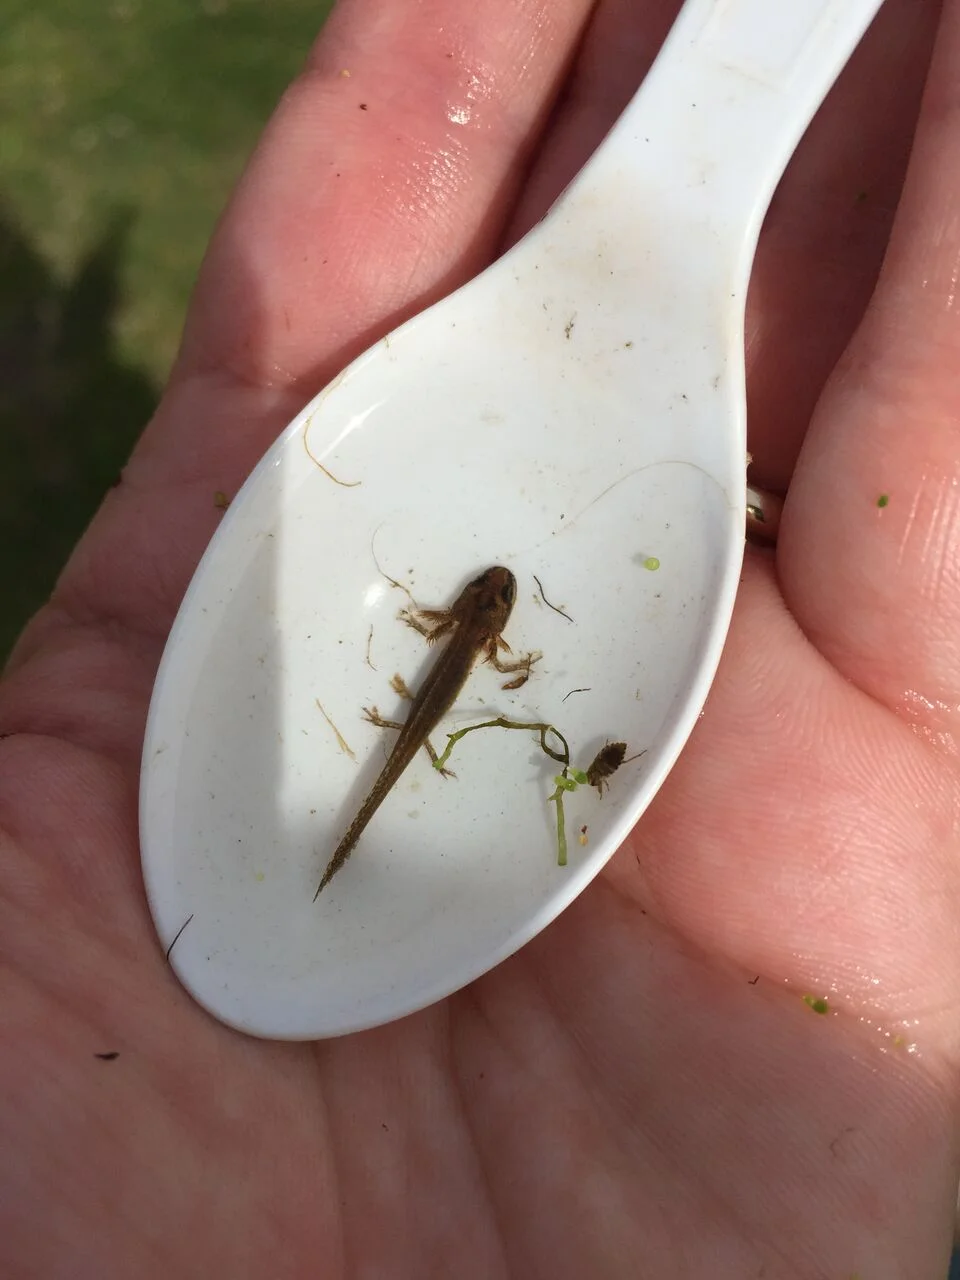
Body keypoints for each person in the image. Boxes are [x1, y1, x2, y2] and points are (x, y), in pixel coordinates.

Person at [2, 0, 958, 1274]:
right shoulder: (476, 630)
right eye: (491, 616)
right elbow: (472, 645)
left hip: (444, 687)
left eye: (487, 614)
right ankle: (336, 857)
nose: (486, 617)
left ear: (478, 612)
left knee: (403, 735)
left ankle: (343, 850)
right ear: (485, 615)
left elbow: (451, 633)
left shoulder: (460, 621)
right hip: (448, 693)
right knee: (401, 734)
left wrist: (467, 641)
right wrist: (494, 654)